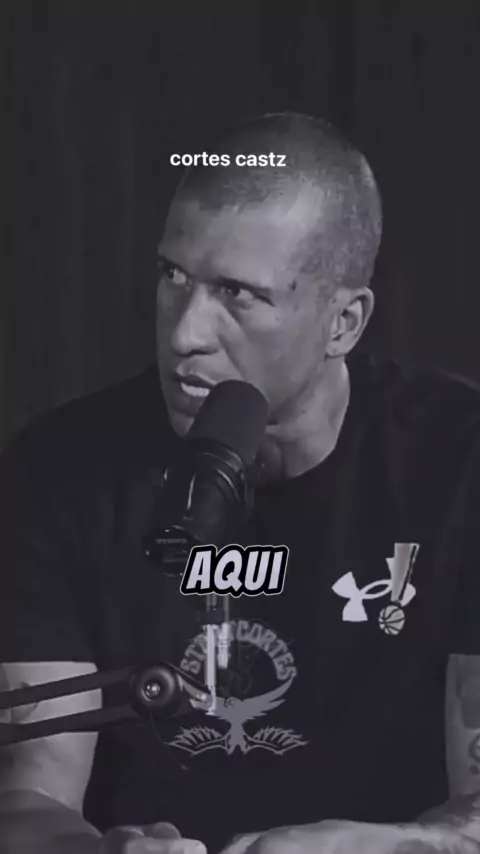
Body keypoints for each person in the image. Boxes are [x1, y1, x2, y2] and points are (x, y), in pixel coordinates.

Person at [1, 112, 480, 854]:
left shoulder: (459, 461)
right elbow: (30, 793)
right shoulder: (58, 468)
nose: (184, 334)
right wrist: (98, 852)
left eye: (237, 294)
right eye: (173, 276)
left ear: (343, 323)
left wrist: (367, 847)